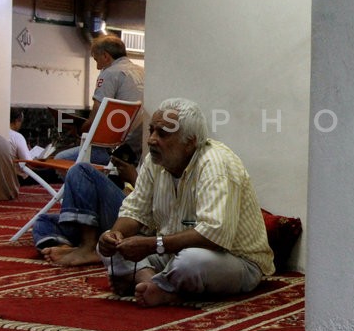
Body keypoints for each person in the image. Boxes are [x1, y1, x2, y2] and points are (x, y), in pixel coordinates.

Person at [97, 98, 274, 307]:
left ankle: (148, 282)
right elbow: (135, 210)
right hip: (172, 253)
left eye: (162, 134)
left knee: (191, 263)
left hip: (234, 260)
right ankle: (154, 285)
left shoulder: (215, 164)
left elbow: (214, 234)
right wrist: (114, 236)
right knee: (111, 247)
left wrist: (154, 244)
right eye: (152, 130)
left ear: (190, 142)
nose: (152, 140)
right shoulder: (155, 161)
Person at [32, 156, 138, 266]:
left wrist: (133, 177)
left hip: (136, 222)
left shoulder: (154, 161)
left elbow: (148, 207)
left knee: (80, 170)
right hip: (121, 212)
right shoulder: (149, 159)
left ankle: (88, 247)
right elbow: (127, 195)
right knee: (43, 221)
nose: (152, 139)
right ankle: (70, 248)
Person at [56, 35, 144, 165]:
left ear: (105, 56)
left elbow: (94, 121)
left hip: (115, 149)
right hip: (139, 147)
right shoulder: (143, 72)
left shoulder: (109, 73)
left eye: (96, 60)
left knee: (60, 158)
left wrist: (79, 130)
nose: (97, 67)